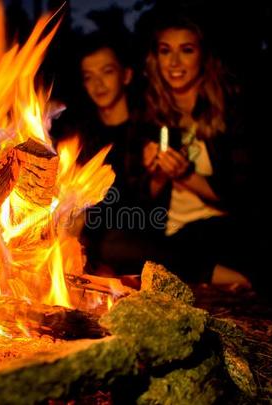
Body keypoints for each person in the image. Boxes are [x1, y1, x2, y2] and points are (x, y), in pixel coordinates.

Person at [140, 11, 254, 285]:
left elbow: (242, 194)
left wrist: (184, 175)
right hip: (173, 233)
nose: (174, 63)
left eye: (186, 50)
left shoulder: (229, 110)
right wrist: (157, 173)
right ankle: (234, 278)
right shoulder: (151, 115)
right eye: (166, 51)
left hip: (223, 226)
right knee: (119, 245)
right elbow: (143, 201)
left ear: (203, 56)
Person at [51, 32, 159, 276]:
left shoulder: (148, 129)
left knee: (117, 242)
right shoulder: (79, 136)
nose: (98, 84)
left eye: (107, 72)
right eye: (90, 77)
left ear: (127, 75)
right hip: (91, 239)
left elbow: (151, 205)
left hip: (138, 232)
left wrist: (159, 176)